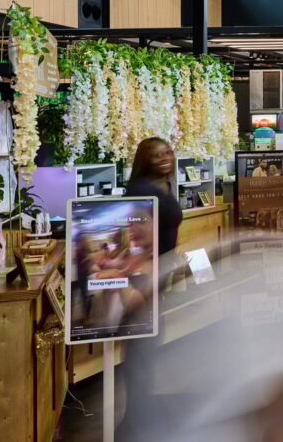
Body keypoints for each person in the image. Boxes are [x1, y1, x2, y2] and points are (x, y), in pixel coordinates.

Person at [120, 137, 185, 440]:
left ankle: (139, 417)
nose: (164, 157)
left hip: (156, 279)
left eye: (168, 152)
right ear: (145, 159)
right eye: (156, 154)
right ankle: (135, 423)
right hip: (143, 282)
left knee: (147, 348)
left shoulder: (161, 187)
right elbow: (132, 239)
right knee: (142, 349)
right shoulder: (143, 191)